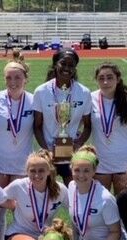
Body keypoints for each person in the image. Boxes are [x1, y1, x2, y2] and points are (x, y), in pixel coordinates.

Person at [0, 60, 35, 240]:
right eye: (8, 77)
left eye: (17, 77)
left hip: (21, 163)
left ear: (26, 79)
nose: (13, 81)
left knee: (19, 208)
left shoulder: (34, 101)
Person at [66, 146, 127, 240]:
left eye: (86, 170)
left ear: (94, 171)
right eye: (77, 170)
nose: (81, 175)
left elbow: (116, 233)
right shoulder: (71, 187)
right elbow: (76, 222)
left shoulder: (105, 198)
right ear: (71, 169)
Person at [33, 49, 92, 184]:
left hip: (72, 155)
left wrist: (78, 143)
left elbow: (88, 126)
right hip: (49, 155)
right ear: (55, 65)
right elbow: (37, 126)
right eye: (63, 63)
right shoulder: (41, 91)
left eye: (71, 65)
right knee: (44, 197)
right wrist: (47, 151)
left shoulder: (84, 92)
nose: (67, 68)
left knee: (75, 195)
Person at [2, 150, 69, 240]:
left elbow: (74, 210)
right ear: (27, 171)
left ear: (49, 171)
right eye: (32, 171)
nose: (37, 175)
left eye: (41, 170)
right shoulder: (19, 186)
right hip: (17, 233)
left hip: (45, 235)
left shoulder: (60, 190)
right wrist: (12, 206)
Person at [90, 62, 127, 194]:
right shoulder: (90, 99)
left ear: (118, 79)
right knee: (100, 204)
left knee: (123, 205)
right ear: (96, 80)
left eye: (110, 77)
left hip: (124, 161)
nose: (105, 82)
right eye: (101, 78)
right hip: (100, 161)